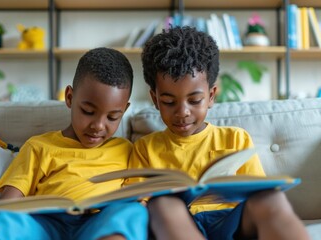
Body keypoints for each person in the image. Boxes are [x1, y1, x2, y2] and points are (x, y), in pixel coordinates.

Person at [126, 26, 309, 240]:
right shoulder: (145, 148)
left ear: (211, 95)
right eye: (168, 102)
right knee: (163, 205)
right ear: (155, 99)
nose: (182, 112)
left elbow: (255, 192)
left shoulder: (236, 138)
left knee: (270, 199)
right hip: (177, 222)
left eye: (194, 101)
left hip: (229, 218)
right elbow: (138, 203)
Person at [0, 47, 148, 240]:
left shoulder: (127, 150)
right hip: (46, 225)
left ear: (124, 111)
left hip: (99, 224)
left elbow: (136, 199)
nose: (98, 126)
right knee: (0, 223)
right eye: (88, 111)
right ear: (69, 97)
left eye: (112, 117)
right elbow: (11, 200)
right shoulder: (39, 146)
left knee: (131, 213)